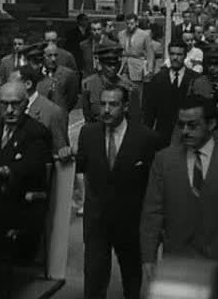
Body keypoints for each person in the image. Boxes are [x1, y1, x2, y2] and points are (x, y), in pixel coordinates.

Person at [140, 96, 218, 299]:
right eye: (181, 125)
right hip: (178, 264)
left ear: (211, 124)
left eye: (192, 125)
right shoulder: (164, 161)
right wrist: (148, 257)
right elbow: (152, 212)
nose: (185, 131)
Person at [76, 85, 163, 299]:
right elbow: (82, 168)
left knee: (131, 277)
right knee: (94, 276)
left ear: (125, 106)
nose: (106, 110)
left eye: (113, 104)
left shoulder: (147, 138)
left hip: (130, 221)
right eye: (103, 104)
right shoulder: (88, 134)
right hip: (97, 221)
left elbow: (155, 184)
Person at [0, 82, 50, 262]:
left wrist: (5, 171)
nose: (9, 110)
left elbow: (31, 169)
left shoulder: (37, 132)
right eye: (4, 104)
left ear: (26, 104)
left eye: (15, 104)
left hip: (18, 202)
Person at [143, 41, 213, 145]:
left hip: (188, 133)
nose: (175, 58)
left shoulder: (195, 79)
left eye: (179, 54)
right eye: (172, 54)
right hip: (162, 134)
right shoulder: (158, 79)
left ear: (185, 56)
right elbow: (149, 111)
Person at [10, 66, 71, 157]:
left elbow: (61, 152)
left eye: (12, 84)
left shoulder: (53, 112)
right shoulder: (9, 109)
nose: (8, 88)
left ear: (28, 84)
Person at [81, 44, 140, 124]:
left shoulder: (129, 87)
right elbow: (88, 116)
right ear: (101, 64)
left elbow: (134, 119)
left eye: (116, 64)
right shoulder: (88, 84)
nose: (113, 68)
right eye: (109, 65)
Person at [118, 13, 154, 98]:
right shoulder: (121, 34)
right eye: (127, 24)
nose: (129, 26)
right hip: (123, 66)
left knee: (136, 93)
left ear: (136, 23)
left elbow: (150, 53)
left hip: (137, 66)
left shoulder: (144, 35)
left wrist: (150, 69)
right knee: (122, 92)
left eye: (131, 23)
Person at [37, 43, 79, 113]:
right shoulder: (36, 74)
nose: (53, 59)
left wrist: (63, 111)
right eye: (49, 56)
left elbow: (73, 98)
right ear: (43, 56)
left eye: (55, 55)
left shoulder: (68, 74)